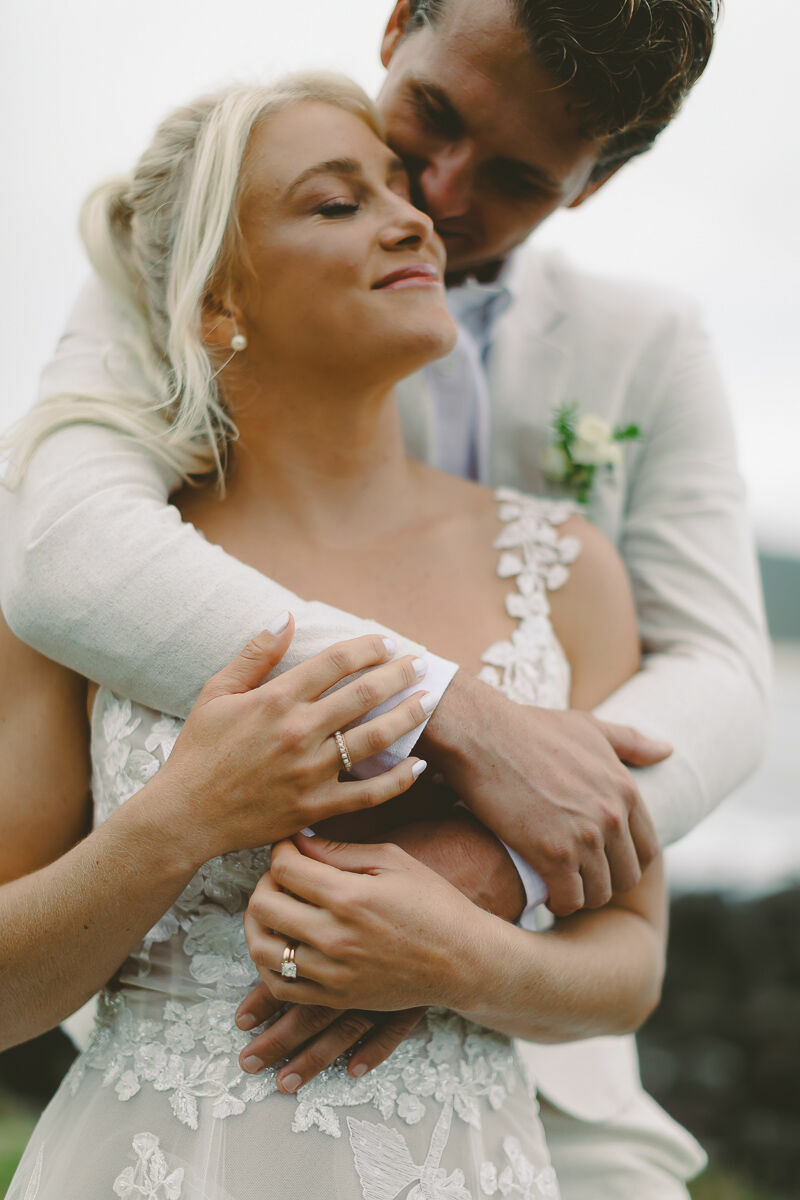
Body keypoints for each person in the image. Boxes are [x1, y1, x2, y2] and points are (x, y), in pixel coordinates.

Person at [0, 0, 767, 1194]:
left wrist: (485, 886)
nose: (436, 199)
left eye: (515, 175)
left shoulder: (622, 404)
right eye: (434, 119)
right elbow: (65, 559)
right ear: (400, 22)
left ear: (588, 184)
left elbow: (718, 680)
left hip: (534, 1104)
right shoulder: (174, 271)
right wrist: (444, 717)